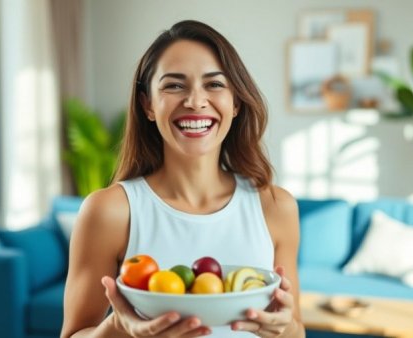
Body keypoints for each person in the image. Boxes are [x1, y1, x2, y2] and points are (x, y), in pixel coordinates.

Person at [61, 20, 305, 338]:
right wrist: (120, 328)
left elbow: (296, 330)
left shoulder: (276, 206)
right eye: (174, 85)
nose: (194, 101)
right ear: (147, 104)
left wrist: (283, 326)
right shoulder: (109, 211)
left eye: (214, 84)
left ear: (236, 103)